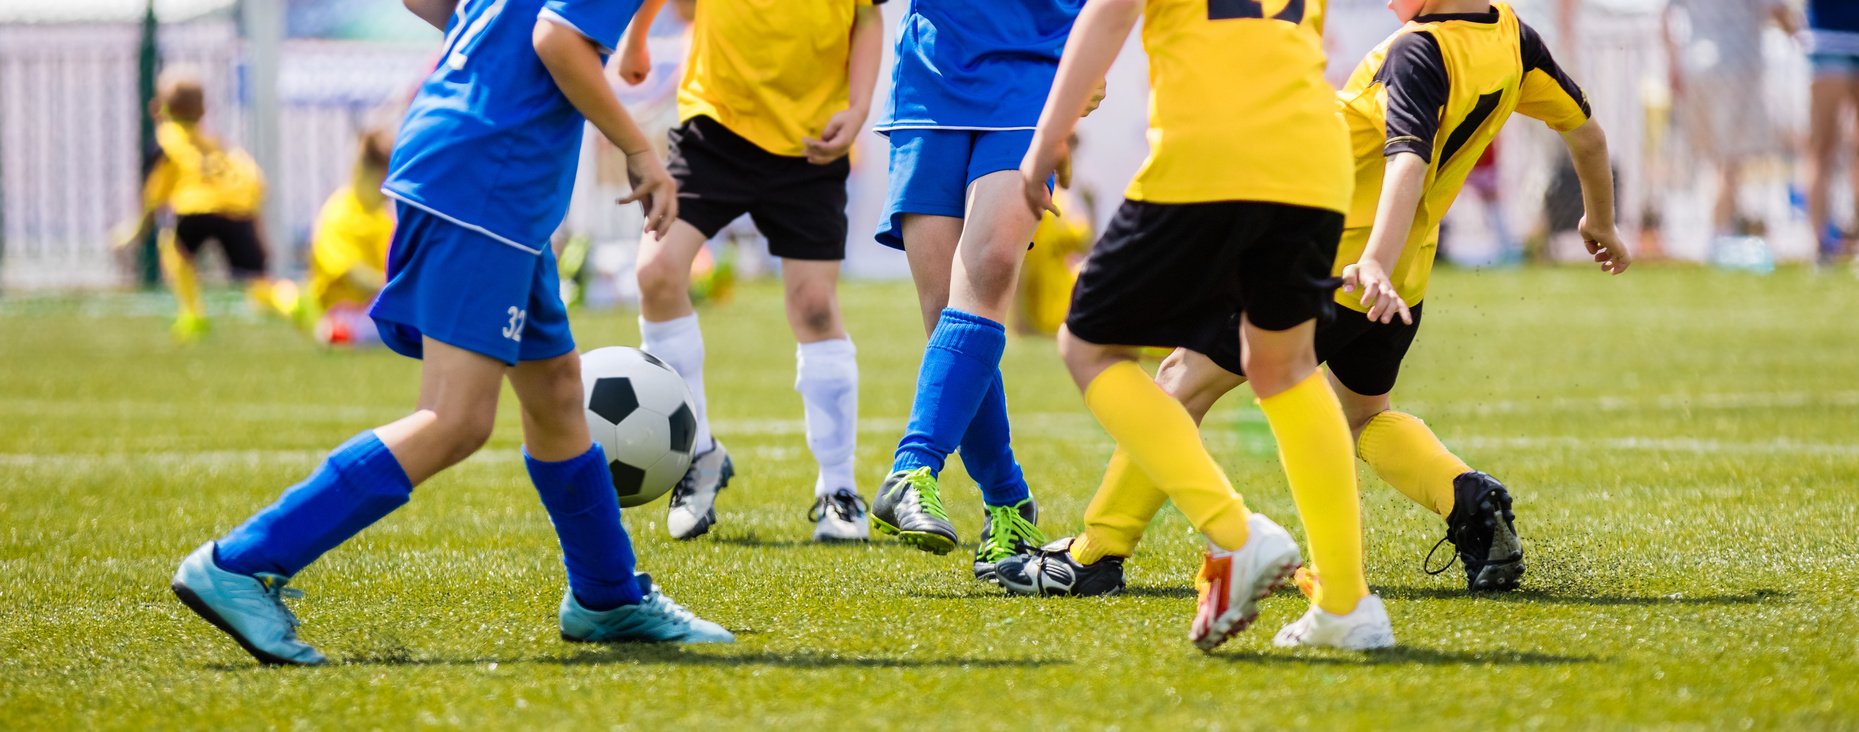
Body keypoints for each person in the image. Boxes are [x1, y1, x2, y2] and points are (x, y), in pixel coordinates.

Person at [1000, 0, 1626, 614]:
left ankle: (1097, 553)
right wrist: (1600, 220)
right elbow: (1588, 134)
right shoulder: (1514, 37)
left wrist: (1371, 258)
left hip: (1339, 260)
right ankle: (1463, 495)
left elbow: (1406, 158)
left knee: (1179, 381)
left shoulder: (1417, 50)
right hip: (1404, 277)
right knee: (1363, 416)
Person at [169, 0, 731, 666]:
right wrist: (639, 149)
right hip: (487, 179)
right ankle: (241, 562)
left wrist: (492, 48)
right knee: (455, 418)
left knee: (555, 390)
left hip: (469, 163)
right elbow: (556, 38)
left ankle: (606, 598)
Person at [1014, 0, 1392, 652]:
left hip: (1210, 151)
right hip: (1311, 151)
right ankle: (1346, 603)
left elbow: (1107, 11)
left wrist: (1048, 135)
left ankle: (1235, 533)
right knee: (1285, 365)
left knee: (1088, 345)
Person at [617, 0, 885, 543]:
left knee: (814, 307)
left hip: (811, 141)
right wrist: (637, 37)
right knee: (657, 272)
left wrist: (858, 111)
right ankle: (698, 454)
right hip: (715, 126)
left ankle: (838, 488)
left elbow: (869, 19)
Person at [868, 0, 1101, 583]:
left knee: (991, 265)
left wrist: (1093, 59)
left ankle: (912, 468)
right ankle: (1010, 505)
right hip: (931, 76)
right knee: (946, 312)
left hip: (1033, 77)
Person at [121, 68, 300, 342]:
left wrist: (138, 228)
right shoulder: (218, 144)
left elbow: (154, 193)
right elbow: (255, 181)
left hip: (195, 210)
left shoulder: (165, 138)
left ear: (157, 108)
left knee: (173, 246)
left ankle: (192, 314)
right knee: (259, 280)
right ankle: (291, 301)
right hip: (238, 210)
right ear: (203, 111)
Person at [1661, 0, 1794, 252]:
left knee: (1711, 159)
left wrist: (1673, 64)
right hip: (1736, 64)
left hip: (1695, 63)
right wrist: (1802, 35)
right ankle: (1718, 236)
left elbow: (1667, 16)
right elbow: (1776, 10)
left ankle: (1714, 230)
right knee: (1730, 161)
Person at [307, 129, 396, 348]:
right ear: (363, 172)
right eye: (383, 182)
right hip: (345, 311)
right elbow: (352, 274)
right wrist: (395, 289)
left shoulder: (383, 217)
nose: (388, 194)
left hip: (379, 306)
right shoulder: (339, 214)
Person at [1014, 136, 1094, 336]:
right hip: (1044, 297)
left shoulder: (1071, 198)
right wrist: (1020, 320)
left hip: (1065, 292)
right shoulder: (1039, 196)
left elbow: (1085, 246)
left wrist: (1092, 210)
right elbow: (1024, 264)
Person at [1804, 0, 1859, 266]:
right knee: (1822, 148)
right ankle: (1820, 246)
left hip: (1829, 39)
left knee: (1826, 149)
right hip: (1827, 39)